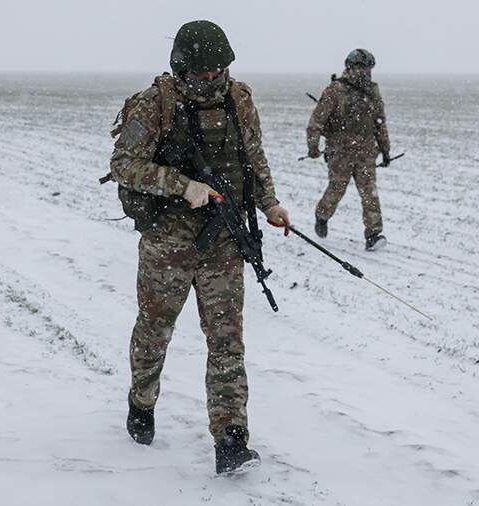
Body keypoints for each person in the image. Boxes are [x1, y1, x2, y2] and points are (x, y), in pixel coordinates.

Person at [108, 19, 290, 474]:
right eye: (203, 74)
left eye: (219, 71)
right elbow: (123, 164)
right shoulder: (155, 105)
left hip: (223, 241)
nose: (212, 80)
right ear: (183, 69)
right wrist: (179, 183)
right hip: (167, 242)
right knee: (154, 333)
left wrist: (270, 203)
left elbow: (254, 156)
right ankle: (141, 404)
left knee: (227, 341)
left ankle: (230, 440)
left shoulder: (239, 99)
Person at [306, 48, 391, 251]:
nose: (365, 72)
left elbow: (380, 123)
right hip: (340, 154)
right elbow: (316, 121)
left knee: (370, 194)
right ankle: (322, 215)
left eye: (368, 68)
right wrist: (313, 146)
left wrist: (386, 150)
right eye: (360, 68)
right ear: (349, 67)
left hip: (366, 154)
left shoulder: (372, 92)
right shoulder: (335, 90)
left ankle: (373, 234)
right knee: (336, 191)